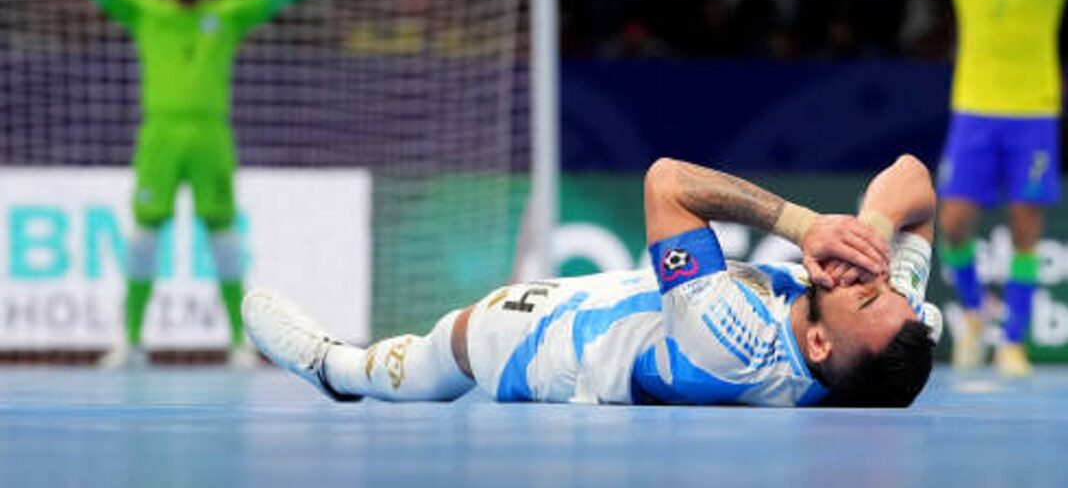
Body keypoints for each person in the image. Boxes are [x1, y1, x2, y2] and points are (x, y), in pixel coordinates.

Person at [243, 154, 941, 407]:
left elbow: (666, 181)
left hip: (552, 348)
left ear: (817, 346)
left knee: (448, 346)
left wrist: (804, 224)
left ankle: (335, 368)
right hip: (626, 305)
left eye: (868, 292)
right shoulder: (881, 334)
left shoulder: (732, 346)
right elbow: (917, 182)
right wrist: (874, 228)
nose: (869, 279)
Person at [4, 0, 371, 368]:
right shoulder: (143, 11)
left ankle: (240, 342)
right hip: (159, 136)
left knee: (222, 238)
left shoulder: (230, 14)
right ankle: (133, 342)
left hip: (210, 139)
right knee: (142, 238)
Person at [804, 0, 1064, 376]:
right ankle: (973, 312)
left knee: (1024, 231)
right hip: (975, 114)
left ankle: (1012, 341)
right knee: (956, 227)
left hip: (1035, 116)